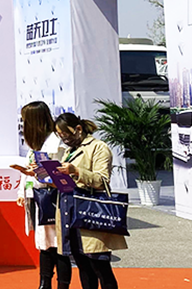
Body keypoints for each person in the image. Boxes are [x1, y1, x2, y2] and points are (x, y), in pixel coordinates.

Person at [54, 113, 126, 289]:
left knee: (100, 265)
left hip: (89, 213)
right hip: (70, 212)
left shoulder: (98, 147)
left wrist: (76, 171)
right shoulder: (69, 151)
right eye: (60, 135)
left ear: (78, 129)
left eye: (65, 134)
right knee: (83, 266)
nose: (64, 139)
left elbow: (102, 180)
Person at [15, 102, 70, 289]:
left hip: (54, 198)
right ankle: (44, 283)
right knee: (45, 243)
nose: (22, 124)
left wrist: (39, 173)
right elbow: (29, 171)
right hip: (39, 197)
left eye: (25, 120)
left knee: (58, 244)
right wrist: (23, 190)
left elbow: (61, 175)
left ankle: (61, 285)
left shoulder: (56, 144)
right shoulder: (36, 145)